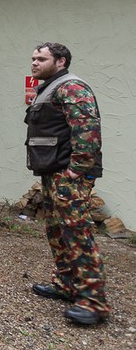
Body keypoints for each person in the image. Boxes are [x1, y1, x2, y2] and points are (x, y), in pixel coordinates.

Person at [25, 42, 109, 326]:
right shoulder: (50, 87)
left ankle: (94, 302)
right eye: (33, 58)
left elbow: (87, 130)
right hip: (54, 172)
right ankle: (66, 285)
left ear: (60, 61)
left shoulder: (71, 87)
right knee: (57, 230)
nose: (34, 63)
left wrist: (76, 170)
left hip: (68, 175)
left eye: (41, 58)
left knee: (77, 234)